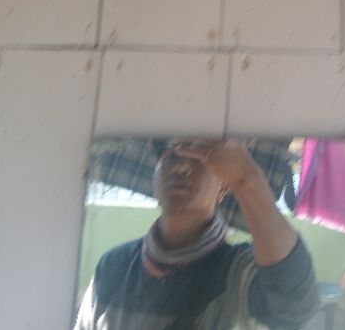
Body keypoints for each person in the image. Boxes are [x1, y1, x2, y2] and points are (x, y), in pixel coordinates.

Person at [75, 139, 320, 329]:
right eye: (172, 156)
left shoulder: (238, 273)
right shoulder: (113, 266)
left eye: (200, 159)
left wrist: (247, 178)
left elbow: (295, 302)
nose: (181, 167)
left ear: (224, 188)